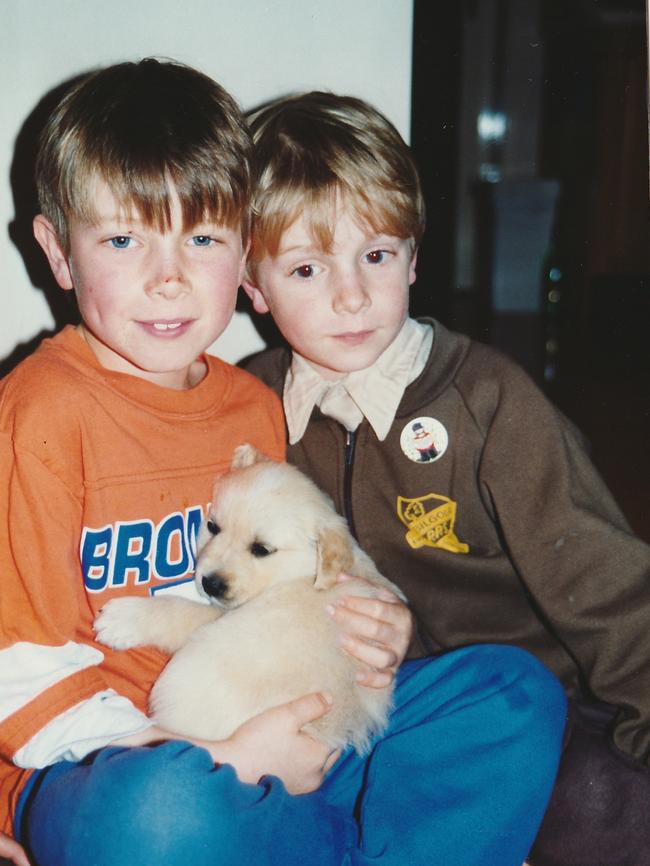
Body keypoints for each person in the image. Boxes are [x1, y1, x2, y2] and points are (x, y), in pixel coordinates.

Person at [0, 60, 566, 866]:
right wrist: (222, 757)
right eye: (123, 239)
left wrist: (377, 617)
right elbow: (14, 664)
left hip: (291, 730)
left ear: (244, 254)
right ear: (58, 254)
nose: (168, 277)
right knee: (154, 817)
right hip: (120, 763)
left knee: (511, 696)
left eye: (201, 238)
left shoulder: (253, 406)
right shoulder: (38, 414)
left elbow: (290, 572)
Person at [242, 90, 650, 866]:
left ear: (414, 258)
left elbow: (615, 591)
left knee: (614, 809)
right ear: (254, 289)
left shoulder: (490, 401)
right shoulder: (245, 410)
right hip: (356, 711)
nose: (352, 294)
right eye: (305, 267)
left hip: (532, 707)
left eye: (376, 255)